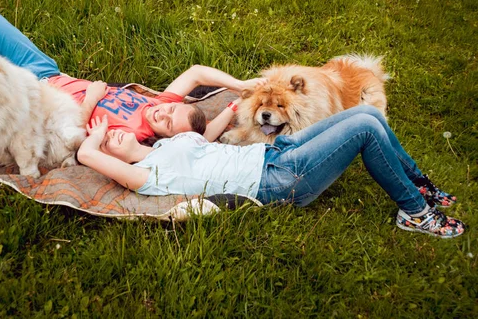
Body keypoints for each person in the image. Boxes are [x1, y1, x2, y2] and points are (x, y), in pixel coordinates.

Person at [77, 104, 463, 238]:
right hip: (279, 180)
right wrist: (91, 144)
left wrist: (228, 112)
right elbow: (86, 157)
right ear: (115, 161)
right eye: (107, 142)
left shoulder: (164, 146)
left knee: (369, 114)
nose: (111, 136)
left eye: (111, 132)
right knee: (363, 131)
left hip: (277, 151)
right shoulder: (147, 174)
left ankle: (417, 183)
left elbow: (204, 139)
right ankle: (415, 213)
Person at [0, 7, 260, 142]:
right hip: (47, 71)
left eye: (165, 123)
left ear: (162, 137)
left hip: (30, 93)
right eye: (171, 109)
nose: (161, 113)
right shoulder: (162, 102)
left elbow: (76, 140)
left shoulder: (130, 135)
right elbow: (196, 72)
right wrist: (239, 90)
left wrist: (90, 101)